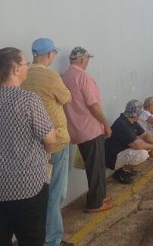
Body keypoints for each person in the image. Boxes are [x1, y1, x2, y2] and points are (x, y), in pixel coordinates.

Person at [0, 47, 56, 246]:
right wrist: (46, 154)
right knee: (31, 239)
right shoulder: (28, 99)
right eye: (25, 64)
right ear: (15, 69)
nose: (27, 67)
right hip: (28, 186)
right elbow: (50, 139)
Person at [21, 38, 74, 246]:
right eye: (54, 53)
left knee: (38, 193)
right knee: (55, 194)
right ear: (49, 54)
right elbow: (67, 98)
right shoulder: (50, 76)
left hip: (32, 143)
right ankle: (52, 240)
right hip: (56, 141)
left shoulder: (23, 75)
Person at [62, 47, 112, 212]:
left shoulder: (64, 77)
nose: (88, 62)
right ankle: (95, 203)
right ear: (82, 60)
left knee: (93, 164)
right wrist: (105, 123)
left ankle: (101, 196)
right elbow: (93, 105)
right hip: (90, 128)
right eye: (87, 59)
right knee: (96, 166)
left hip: (75, 129)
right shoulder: (83, 77)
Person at [105, 100, 153, 184]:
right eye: (140, 113)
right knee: (143, 154)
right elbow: (137, 145)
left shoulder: (131, 120)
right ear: (134, 114)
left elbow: (144, 134)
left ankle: (126, 169)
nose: (140, 115)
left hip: (122, 151)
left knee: (146, 145)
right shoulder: (122, 124)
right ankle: (120, 173)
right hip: (112, 158)